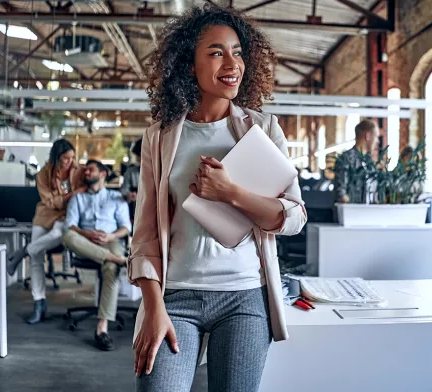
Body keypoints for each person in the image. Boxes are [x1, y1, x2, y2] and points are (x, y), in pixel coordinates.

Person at [129, 5, 307, 392]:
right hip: (176, 296)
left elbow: (294, 217)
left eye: (238, 51)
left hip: (244, 296)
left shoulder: (262, 128)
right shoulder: (160, 138)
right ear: (188, 64)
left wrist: (232, 194)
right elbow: (144, 234)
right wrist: (153, 306)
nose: (232, 63)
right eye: (216, 52)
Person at [6, 139, 86, 324]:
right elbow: (50, 202)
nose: (70, 161)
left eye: (72, 157)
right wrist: (72, 194)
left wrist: (71, 196)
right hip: (44, 215)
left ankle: (22, 252)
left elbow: (85, 190)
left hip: (67, 217)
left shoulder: (78, 171)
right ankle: (38, 303)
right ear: (57, 157)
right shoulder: (43, 174)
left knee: (58, 234)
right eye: (66, 158)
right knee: (36, 258)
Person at [62, 160, 132, 351]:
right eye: (84, 169)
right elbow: (71, 225)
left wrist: (111, 235)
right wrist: (87, 234)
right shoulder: (78, 199)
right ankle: (120, 260)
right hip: (86, 242)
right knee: (68, 236)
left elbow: (126, 227)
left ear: (102, 174)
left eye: (90, 169)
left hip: (111, 240)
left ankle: (102, 328)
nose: (85, 172)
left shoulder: (116, 197)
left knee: (110, 269)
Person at [334, 119, 380, 203]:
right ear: (368, 135)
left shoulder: (370, 163)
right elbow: (341, 194)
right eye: (376, 136)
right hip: (351, 213)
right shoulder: (346, 159)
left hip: (370, 213)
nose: (377, 141)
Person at [121, 138, 142, 224]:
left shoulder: (161, 171)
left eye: (139, 156)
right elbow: (124, 190)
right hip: (136, 213)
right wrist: (129, 195)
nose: (138, 159)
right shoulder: (131, 172)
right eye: (138, 156)